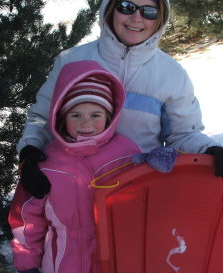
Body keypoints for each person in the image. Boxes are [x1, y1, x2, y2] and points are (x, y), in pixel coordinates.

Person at [17, 0, 223, 199]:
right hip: (73, 189)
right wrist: (30, 151)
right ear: (110, 9)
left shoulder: (171, 75)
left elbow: (182, 134)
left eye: (149, 11)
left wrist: (211, 151)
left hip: (138, 193)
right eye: (126, 7)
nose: (137, 18)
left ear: (160, 19)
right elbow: (43, 117)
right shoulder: (72, 61)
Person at [8, 60, 146, 273]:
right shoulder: (47, 163)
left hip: (119, 260)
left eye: (95, 115)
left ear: (109, 116)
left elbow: (148, 198)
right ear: (61, 116)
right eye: (76, 115)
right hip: (63, 263)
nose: (85, 123)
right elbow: (26, 218)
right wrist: (27, 264)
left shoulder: (127, 152)